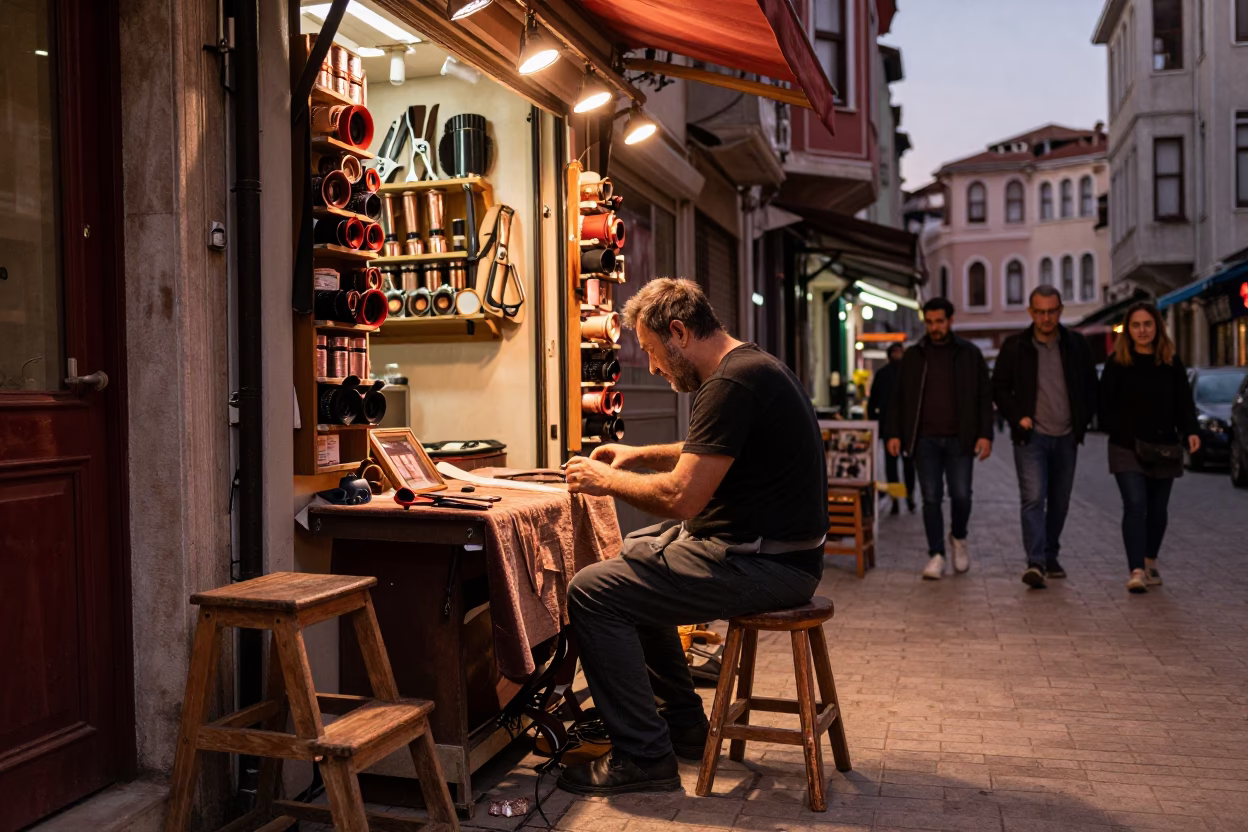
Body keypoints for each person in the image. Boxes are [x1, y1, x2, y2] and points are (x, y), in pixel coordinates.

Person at [559, 278, 828, 795]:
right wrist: (636, 455)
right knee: (633, 562)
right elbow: (710, 445)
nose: (655, 368)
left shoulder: (731, 382)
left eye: (655, 354)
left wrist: (604, 481)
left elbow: (684, 497)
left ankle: (643, 756)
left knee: (593, 592)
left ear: (678, 332)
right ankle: (682, 728)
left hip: (771, 566)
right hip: (779, 556)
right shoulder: (748, 368)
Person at [992, 286, 1098, 589]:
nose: (1046, 317)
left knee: (1060, 501)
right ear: (1031, 313)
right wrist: (1017, 416)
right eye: (1040, 311)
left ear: (1060, 311)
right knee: (1034, 498)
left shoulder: (1076, 345)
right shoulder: (1015, 346)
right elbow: (999, 386)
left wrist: (1082, 418)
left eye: (1052, 311)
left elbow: (1091, 385)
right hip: (1031, 436)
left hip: (1066, 435)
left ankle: (1051, 554)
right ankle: (1035, 561)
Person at [883, 297, 993, 580]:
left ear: (951, 320)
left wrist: (985, 434)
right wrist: (894, 433)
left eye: (939, 321)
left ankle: (958, 536)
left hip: (961, 437)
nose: (934, 327)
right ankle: (936, 554)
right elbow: (900, 398)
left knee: (961, 495)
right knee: (930, 497)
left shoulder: (969, 354)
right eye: (929, 322)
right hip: (924, 439)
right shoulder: (914, 355)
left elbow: (984, 395)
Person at [1098, 302, 1199, 593]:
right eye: (1136, 325)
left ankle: (1150, 560)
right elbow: (1104, 407)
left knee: (1157, 509)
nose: (1142, 331)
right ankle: (1137, 570)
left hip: (1163, 446)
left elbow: (1184, 402)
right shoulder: (1117, 362)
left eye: (1147, 325)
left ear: (1157, 327)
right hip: (1126, 447)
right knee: (1135, 504)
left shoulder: (1170, 361)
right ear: (1128, 330)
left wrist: (1191, 430)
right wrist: (1121, 431)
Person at [867, 342, 916, 514]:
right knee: (906, 465)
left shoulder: (883, 374)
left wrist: (876, 423)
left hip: (891, 428)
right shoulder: (910, 374)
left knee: (895, 467)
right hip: (905, 428)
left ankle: (899, 500)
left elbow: (872, 404)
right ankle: (908, 498)